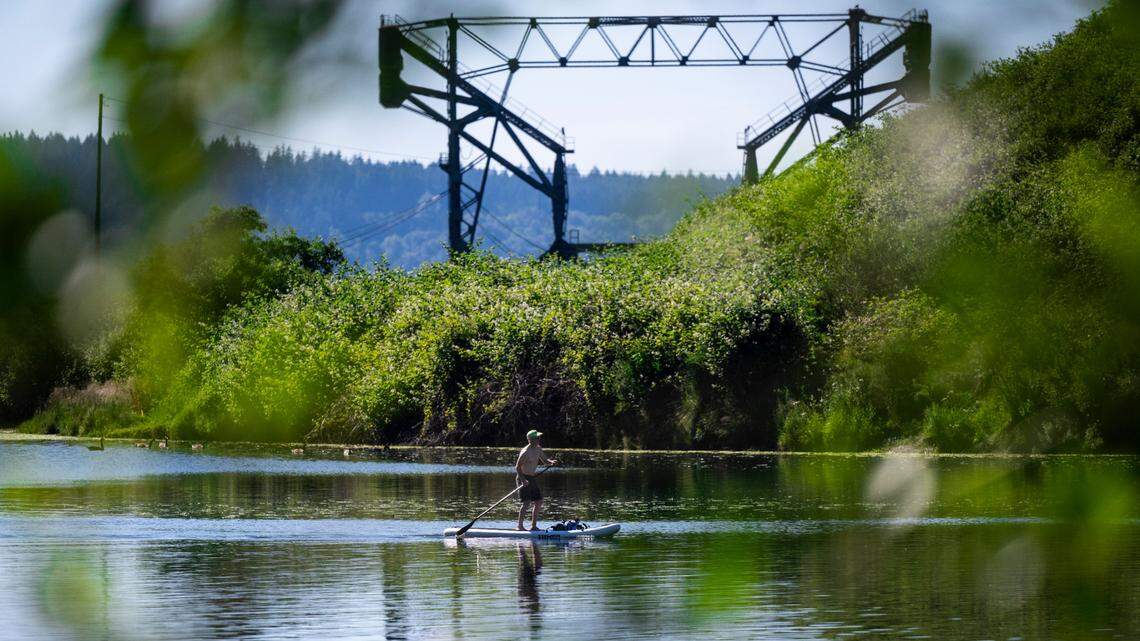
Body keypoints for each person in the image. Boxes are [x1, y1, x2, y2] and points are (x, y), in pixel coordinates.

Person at [515, 429, 557, 531]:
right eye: (537, 438)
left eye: (539, 437)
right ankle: (520, 527)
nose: (539, 439)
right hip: (523, 477)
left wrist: (551, 462)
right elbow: (517, 467)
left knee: (538, 501)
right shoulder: (525, 452)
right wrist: (523, 480)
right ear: (531, 440)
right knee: (526, 503)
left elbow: (545, 461)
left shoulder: (538, 448)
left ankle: (533, 526)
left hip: (532, 478)